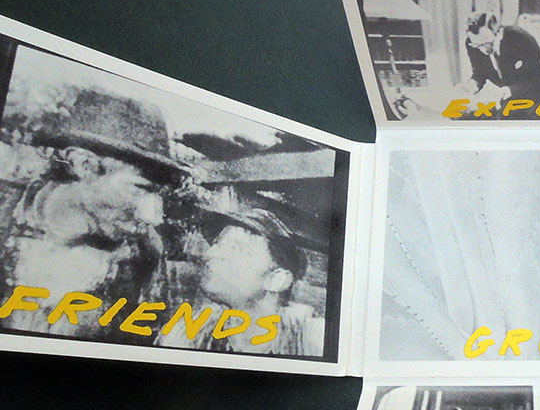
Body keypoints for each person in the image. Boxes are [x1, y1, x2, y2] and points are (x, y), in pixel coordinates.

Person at [0, 88, 186, 339]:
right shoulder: (5, 215)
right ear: (83, 165)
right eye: (140, 189)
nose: (152, 216)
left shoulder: (145, 252)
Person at [164, 205, 324, 357]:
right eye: (217, 243)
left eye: (236, 248)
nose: (210, 254)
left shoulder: (309, 338)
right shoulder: (189, 332)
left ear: (276, 280)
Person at [462, 11, 540, 107]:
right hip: (505, 103)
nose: (483, 50)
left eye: (487, 44)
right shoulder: (472, 44)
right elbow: (479, 73)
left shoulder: (521, 39)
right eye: (477, 45)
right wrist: (472, 85)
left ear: (499, 32)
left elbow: (538, 81)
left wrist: (508, 91)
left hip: (535, 101)